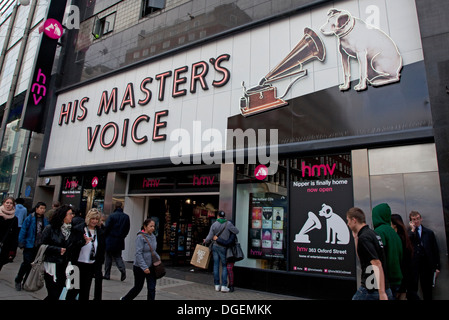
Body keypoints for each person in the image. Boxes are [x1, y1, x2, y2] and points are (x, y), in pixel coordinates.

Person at [346, 207, 393, 300]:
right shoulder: (373, 234)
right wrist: (355, 238)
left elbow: (377, 263)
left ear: (354, 220)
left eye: (348, 220)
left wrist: (382, 293)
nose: (348, 224)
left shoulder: (364, 238)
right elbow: (363, 259)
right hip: (380, 287)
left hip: (371, 289)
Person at [41, 204, 84, 300]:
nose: (72, 216)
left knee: (58, 292)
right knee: (53, 294)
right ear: (63, 215)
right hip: (52, 265)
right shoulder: (50, 228)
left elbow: (74, 245)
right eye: (70, 214)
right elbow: (41, 245)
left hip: (65, 265)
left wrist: (84, 241)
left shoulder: (72, 230)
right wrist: (57, 249)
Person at [68, 208, 106, 300]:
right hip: (77, 264)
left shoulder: (100, 232)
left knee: (85, 291)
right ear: (88, 218)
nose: (94, 221)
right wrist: (83, 242)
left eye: (97, 219)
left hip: (90, 265)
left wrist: (99, 265)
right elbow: (71, 246)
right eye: (93, 218)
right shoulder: (79, 229)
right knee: (73, 290)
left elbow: (101, 249)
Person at [121, 218, 159, 300]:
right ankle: (125, 299)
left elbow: (153, 251)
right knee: (138, 287)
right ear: (145, 226)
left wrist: (158, 261)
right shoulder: (140, 237)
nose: (153, 228)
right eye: (151, 226)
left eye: (154, 226)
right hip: (140, 267)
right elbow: (138, 253)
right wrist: (144, 267)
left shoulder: (153, 237)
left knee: (152, 288)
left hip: (152, 266)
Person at [15, 202, 48, 291]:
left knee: (33, 264)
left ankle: (26, 282)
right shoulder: (30, 218)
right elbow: (23, 230)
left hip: (39, 246)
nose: (42, 210)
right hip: (29, 244)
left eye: (44, 208)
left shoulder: (45, 220)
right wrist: (21, 243)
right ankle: (18, 279)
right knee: (26, 263)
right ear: (36, 208)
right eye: (41, 208)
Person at [407, 210, 440, 300]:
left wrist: (437, 266)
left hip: (426, 264)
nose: (416, 221)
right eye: (414, 219)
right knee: (412, 288)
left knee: (427, 289)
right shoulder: (409, 233)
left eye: (418, 219)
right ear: (411, 221)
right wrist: (412, 230)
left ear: (421, 219)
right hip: (414, 264)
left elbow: (435, 250)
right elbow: (407, 244)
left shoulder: (428, 233)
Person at [372, 203, 403, 297]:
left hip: (385, 280)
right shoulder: (393, 233)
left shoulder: (379, 232)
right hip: (396, 279)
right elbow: (400, 255)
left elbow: (378, 257)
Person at [205, 210, 239, 292]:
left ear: (217, 216)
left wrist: (205, 241)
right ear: (224, 216)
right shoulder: (228, 224)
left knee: (216, 265)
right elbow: (237, 231)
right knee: (224, 266)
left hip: (215, 246)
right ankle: (224, 285)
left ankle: (217, 285)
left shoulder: (214, 225)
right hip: (224, 247)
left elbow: (209, 237)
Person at [104, 201, 130, 281]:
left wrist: (105, 236)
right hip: (120, 239)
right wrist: (123, 236)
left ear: (115, 206)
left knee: (108, 257)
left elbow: (107, 227)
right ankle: (122, 270)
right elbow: (127, 228)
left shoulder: (112, 216)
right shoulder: (126, 217)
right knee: (118, 256)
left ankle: (107, 274)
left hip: (110, 239)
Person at [391, 214, 414, 300]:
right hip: (404, 281)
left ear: (394, 224)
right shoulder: (405, 238)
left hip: (400, 281)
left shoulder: (398, 239)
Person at [0, 197, 19, 271]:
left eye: (11, 203)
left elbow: (15, 236)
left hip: (5, 246)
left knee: (1, 262)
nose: (8, 205)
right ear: (3, 203)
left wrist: (12, 251)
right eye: (7, 203)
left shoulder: (14, 219)